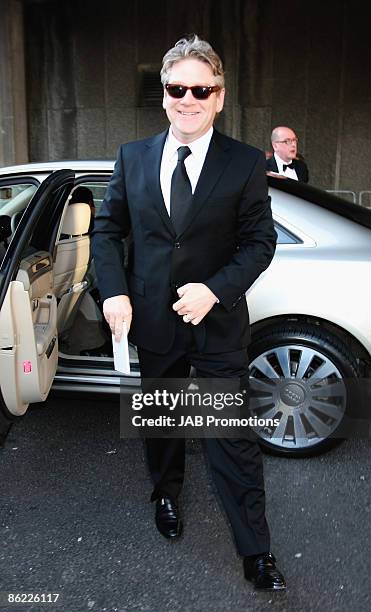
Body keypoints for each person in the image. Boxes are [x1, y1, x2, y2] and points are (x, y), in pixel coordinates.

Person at [92, 35, 286, 591]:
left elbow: (259, 243)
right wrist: (114, 291)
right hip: (152, 320)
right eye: (178, 88)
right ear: (164, 95)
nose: (188, 98)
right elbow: (108, 232)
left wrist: (215, 290)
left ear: (219, 97)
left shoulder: (246, 163)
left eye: (201, 89)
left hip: (217, 322)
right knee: (163, 425)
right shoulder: (132, 157)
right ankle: (166, 495)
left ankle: (255, 551)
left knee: (232, 438)